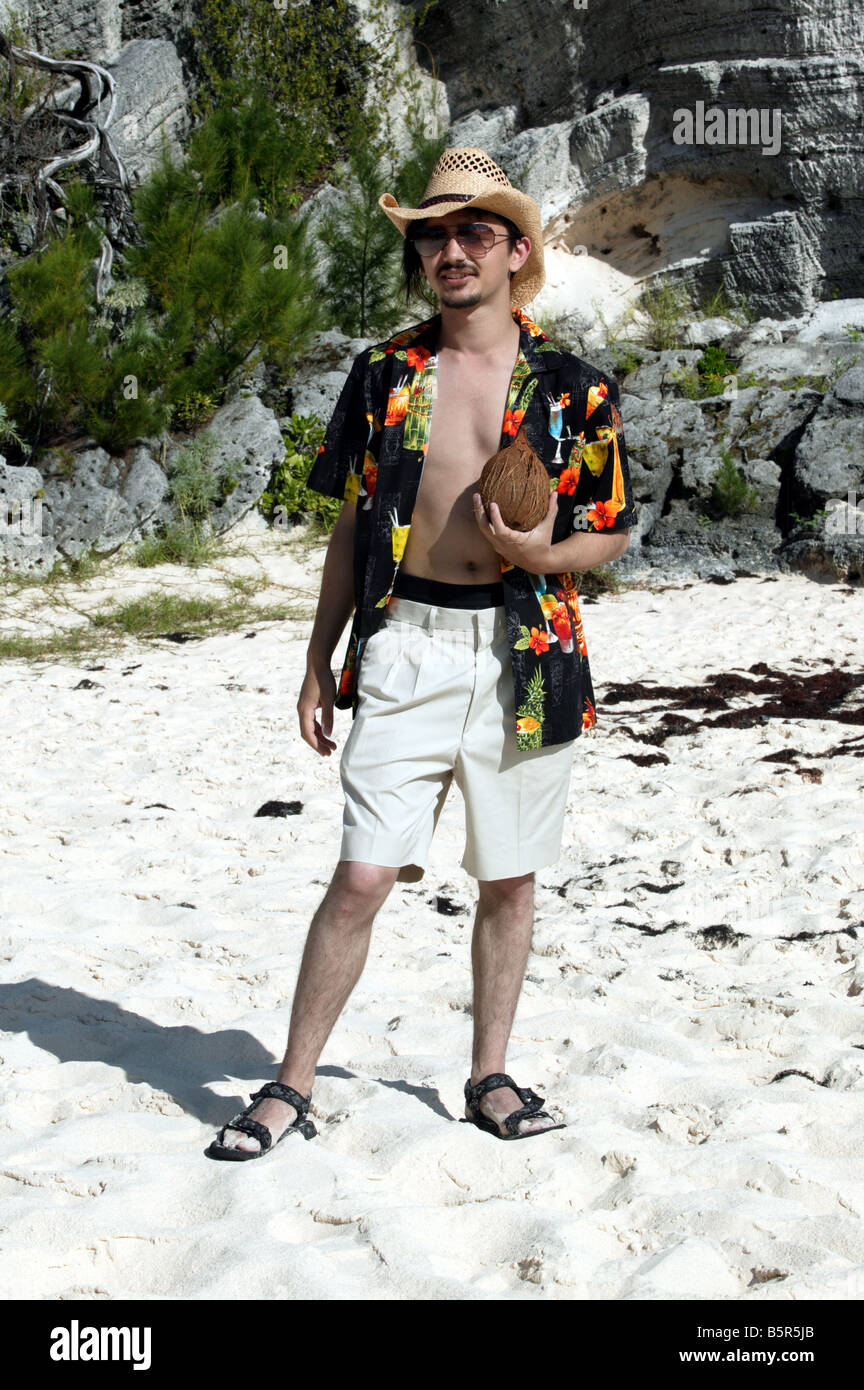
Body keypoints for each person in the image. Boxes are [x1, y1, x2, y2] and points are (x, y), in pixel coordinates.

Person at [206, 147, 637, 1161]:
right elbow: (354, 525)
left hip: (526, 652)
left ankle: (489, 1073)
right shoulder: (386, 373)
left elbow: (612, 526)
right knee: (361, 875)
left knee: (510, 879)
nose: (450, 249)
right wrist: (320, 658)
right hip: (405, 643)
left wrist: (543, 551)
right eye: (432, 234)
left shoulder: (574, 388)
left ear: (515, 251)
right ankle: (290, 1082)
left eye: (472, 232)